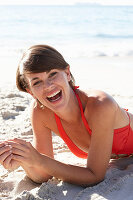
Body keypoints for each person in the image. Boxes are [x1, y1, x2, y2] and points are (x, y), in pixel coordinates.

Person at [0, 44, 133, 186]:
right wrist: (24, 160)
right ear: (31, 91)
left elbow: (95, 176)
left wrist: (38, 160)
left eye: (52, 74)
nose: (48, 85)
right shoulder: (40, 112)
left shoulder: (100, 105)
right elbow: (44, 175)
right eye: (37, 82)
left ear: (67, 73)